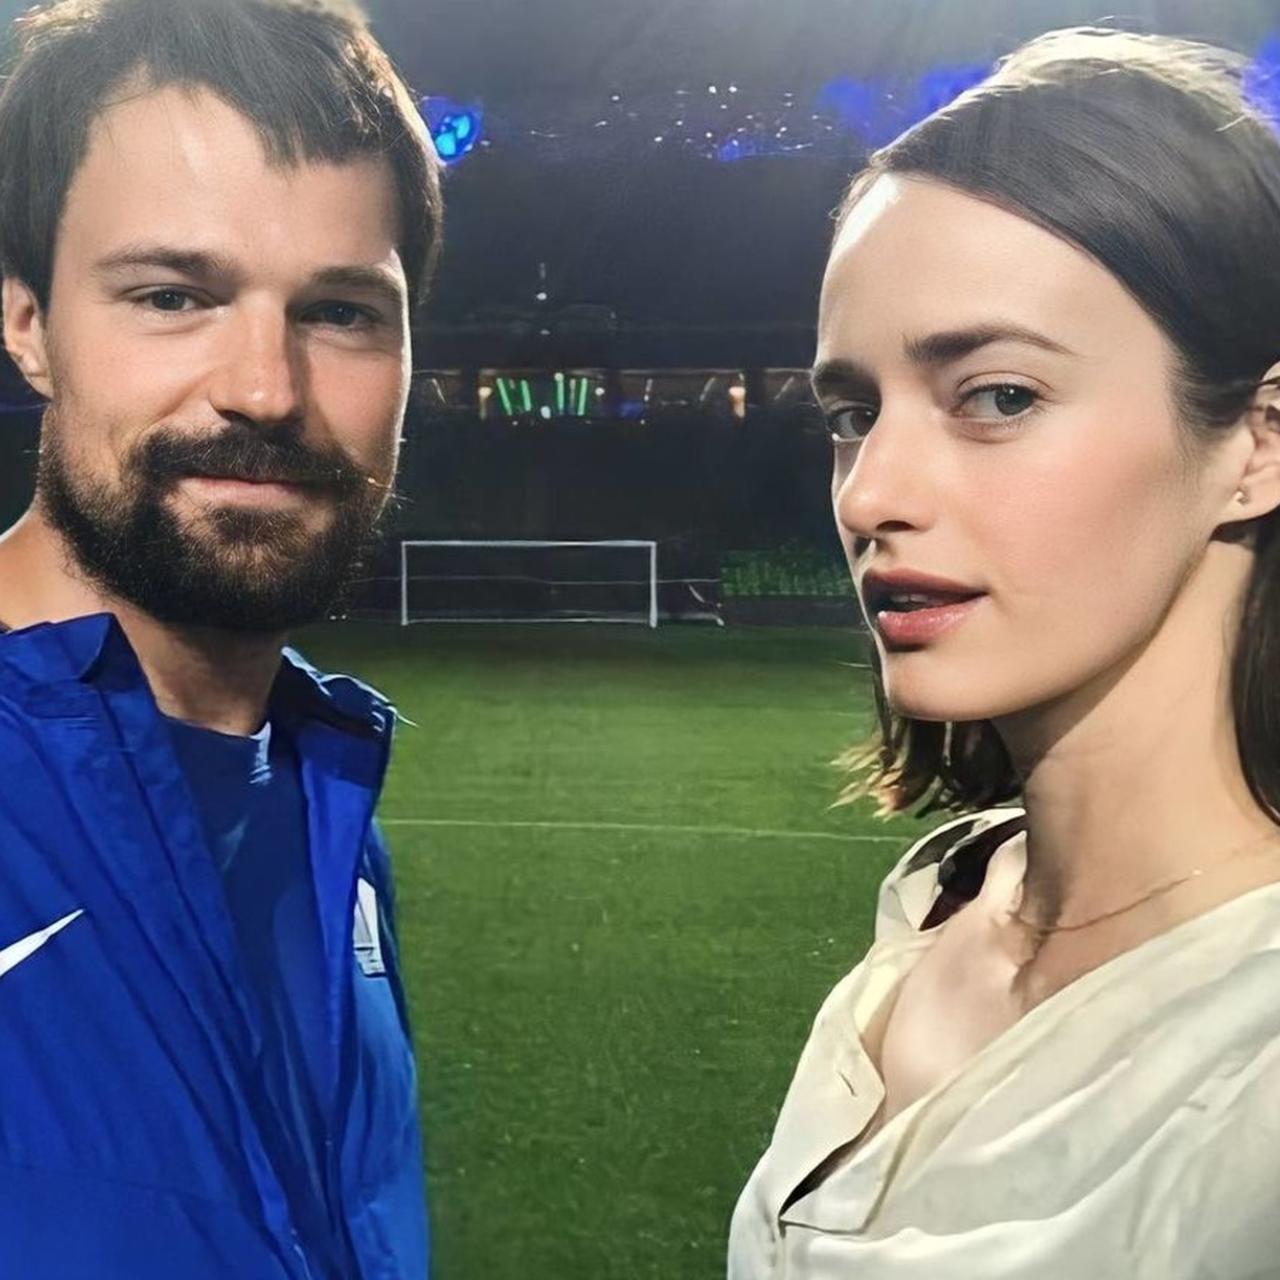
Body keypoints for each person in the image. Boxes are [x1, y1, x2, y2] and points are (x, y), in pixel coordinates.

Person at [730, 27, 1280, 1280]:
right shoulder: (939, 906)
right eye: (850, 413)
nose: (869, 492)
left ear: (1255, 442)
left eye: (997, 395)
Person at [0, 0, 441, 1276]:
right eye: (172, 294)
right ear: (28, 322)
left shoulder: (326, 794)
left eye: (342, 312)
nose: (264, 387)